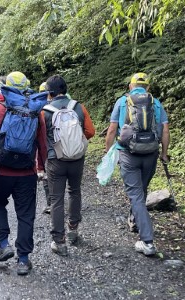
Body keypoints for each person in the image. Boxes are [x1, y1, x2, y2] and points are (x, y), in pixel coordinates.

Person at [0, 71, 47, 276]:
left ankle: (4, 244)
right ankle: (24, 260)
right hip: (27, 173)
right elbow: (43, 144)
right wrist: (42, 167)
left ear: (6, 87)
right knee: (26, 214)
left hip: (2, 172)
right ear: (27, 87)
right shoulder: (36, 111)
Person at [105, 72, 170, 256]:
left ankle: (147, 241)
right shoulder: (155, 103)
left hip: (128, 153)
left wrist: (109, 150)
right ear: (148, 87)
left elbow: (111, 130)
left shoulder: (122, 102)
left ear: (130, 86)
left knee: (135, 194)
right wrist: (164, 154)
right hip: (150, 153)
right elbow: (165, 130)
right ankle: (134, 220)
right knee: (141, 190)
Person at [42, 75, 95, 256]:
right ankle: (73, 229)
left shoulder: (45, 111)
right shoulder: (79, 107)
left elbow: (40, 138)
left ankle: (59, 241)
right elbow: (90, 131)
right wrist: (76, 143)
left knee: (56, 198)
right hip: (77, 159)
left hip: (55, 160)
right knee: (75, 191)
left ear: (50, 93)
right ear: (65, 89)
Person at [38, 82, 51, 214]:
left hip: (47, 147)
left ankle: (50, 203)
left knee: (47, 175)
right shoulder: (68, 103)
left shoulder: (40, 109)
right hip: (65, 146)